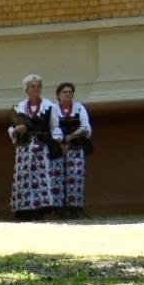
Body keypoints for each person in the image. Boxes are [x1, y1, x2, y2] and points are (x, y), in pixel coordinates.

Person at [7, 74, 62, 220]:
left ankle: (41, 210)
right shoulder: (18, 108)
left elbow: (55, 127)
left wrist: (56, 142)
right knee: (24, 178)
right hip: (24, 149)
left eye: (38, 86)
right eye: (32, 86)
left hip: (42, 148)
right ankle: (25, 211)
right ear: (26, 89)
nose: (36, 89)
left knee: (42, 178)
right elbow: (11, 128)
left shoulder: (49, 106)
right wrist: (17, 130)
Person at [51, 81, 93, 217]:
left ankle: (75, 209)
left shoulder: (79, 108)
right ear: (58, 95)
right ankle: (59, 210)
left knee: (76, 177)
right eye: (65, 92)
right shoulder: (53, 109)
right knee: (57, 177)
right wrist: (61, 142)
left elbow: (85, 126)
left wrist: (70, 138)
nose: (68, 94)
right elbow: (52, 127)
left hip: (76, 147)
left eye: (70, 92)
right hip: (59, 148)